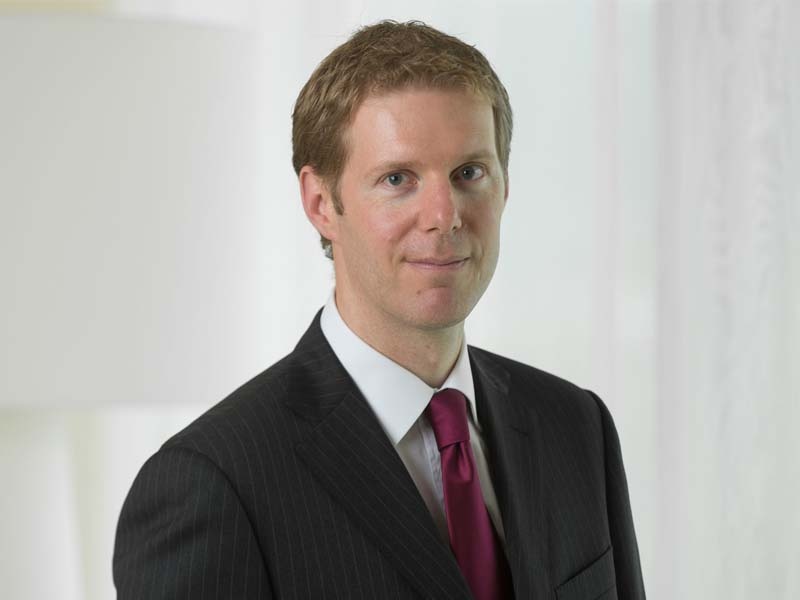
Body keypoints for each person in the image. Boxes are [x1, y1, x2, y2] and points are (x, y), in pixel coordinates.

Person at [113, 20, 645, 600]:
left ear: (505, 185)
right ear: (321, 203)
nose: (444, 216)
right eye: (398, 179)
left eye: (469, 173)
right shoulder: (213, 483)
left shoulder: (575, 426)